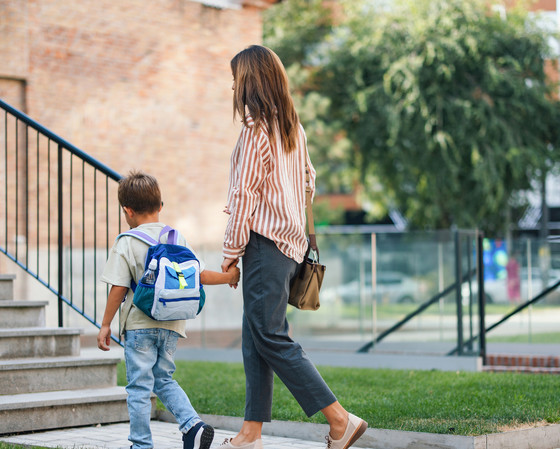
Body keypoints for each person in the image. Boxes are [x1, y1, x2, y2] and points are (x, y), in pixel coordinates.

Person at [218, 45, 367, 449]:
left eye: (235, 79)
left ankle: (340, 420)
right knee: (257, 337)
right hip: (289, 246)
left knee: (269, 335)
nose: (232, 87)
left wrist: (230, 253)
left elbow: (244, 196)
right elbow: (308, 182)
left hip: (264, 246)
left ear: (250, 82)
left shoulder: (255, 131)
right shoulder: (291, 128)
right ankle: (251, 433)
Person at [98, 170, 240, 449]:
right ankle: (193, 426)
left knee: (139, 387)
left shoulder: (127, 241)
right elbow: (199, 275)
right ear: (160, 206)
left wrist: (105, 324)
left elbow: (118, 287)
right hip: (173, 323)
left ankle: (141, 445)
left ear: (127, 211)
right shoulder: (176, 238)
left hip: (140, 326)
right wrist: (229, 277)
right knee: (164, 379)